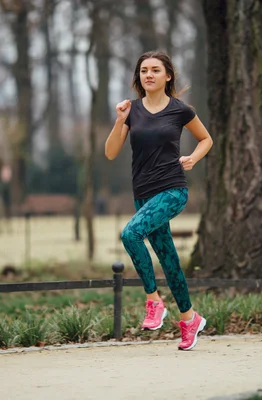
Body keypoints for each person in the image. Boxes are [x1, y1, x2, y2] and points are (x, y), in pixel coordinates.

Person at [105, 50, 213, 350]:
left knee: (130, 234)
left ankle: (154, 301)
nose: (148, 75)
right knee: (168, 258)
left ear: (168, 75)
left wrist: (193, 157)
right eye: (143, 70)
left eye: (155, 69)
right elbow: (111, 152)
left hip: (172, 190)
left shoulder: (180, 110)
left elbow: (207, 139)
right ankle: (190, 319)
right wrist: (119, 121)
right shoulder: (133, 111)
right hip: (143, 194)